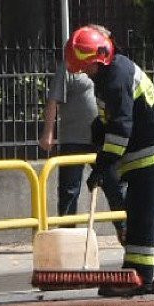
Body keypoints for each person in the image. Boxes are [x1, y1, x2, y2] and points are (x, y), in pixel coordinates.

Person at [65, 24, 154, 296]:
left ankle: (137, 276)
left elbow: (121, 129)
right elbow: (115, 119)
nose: (84, 72)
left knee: (141, 212)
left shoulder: (115, 77)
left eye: (86, 67)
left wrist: (103, 165)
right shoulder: (111, 72)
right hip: (152, 148)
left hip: (149, 151)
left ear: (98, 58)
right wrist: (100, 127)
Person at [40, 55, 121, 220]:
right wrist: (48, 132)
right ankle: (67, 233)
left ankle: (125, 230)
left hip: (101, 139)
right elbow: (53, 100)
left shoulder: (105, 66)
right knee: (69, 190)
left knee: (113, 184)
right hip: (73, 139)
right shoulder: (68, 66)